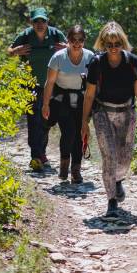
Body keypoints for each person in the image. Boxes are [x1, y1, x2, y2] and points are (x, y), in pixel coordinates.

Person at [81, 21, 137, 218]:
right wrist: (84, 122)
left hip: (127, 112)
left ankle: (118, 180)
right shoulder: (97, 63)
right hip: (102, 112)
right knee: (109, 156)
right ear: (103, 44)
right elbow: (89, 94)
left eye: (117, 44)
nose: (113, 48)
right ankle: (112, 200)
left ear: (122, 43)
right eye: (109, 45)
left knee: (125, 158)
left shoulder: (132, 61)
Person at [8, 7, 67, 171]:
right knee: (33, 119)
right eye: (36, 21)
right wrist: (16, 51)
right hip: (30, 84)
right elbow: (9, 51)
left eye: (43, 21)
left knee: (47, 119)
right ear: (31, 22)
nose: (40, 24)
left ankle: (41, 152)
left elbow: (73, 49)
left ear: (48, 21)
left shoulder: (55, 34)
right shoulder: (26, 35)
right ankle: (36, 156)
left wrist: (66, 49)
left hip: (52, 84)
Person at [42, 25, 94, 183]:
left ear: (84, 41)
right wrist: (45, 104)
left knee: (80, 134)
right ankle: (64, 164)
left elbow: (95, 84)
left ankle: (76, 170)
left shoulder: (90, 57)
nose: (77, 43)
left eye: (80, 40)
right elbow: (49, 83)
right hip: (61, 100)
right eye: (73, 40)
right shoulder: (58, 57)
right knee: (69, 131)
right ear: (68, 40)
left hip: (81, 101)